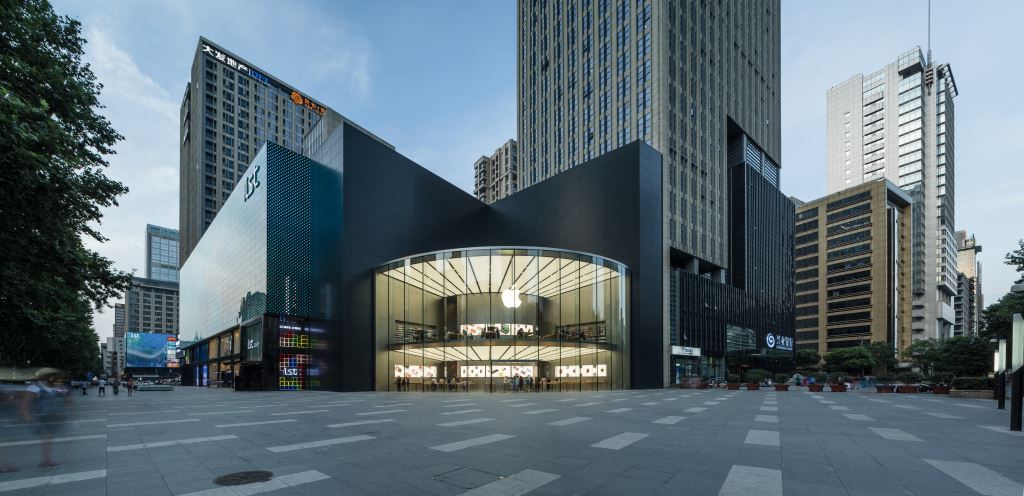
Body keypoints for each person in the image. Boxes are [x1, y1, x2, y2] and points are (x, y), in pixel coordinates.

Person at [20, 378, 64, 468]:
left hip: (50, 418)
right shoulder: (35, 387)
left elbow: (59, 398)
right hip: (41, 418)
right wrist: (26, 415)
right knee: (46, 439)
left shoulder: (51, 387)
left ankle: (46, 460)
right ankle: (46, 461)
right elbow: (25, 403)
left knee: (48, 439)